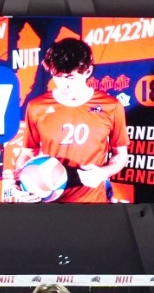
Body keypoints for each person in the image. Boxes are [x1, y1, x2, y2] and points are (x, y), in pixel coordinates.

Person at [13, 37, 130, 203]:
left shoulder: (111, 106)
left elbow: (120, 154)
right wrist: (19, 181)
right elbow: (27, 153)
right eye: (56, 76)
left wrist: (104, 172)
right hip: (49, 203)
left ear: (88, 71)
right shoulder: (36, 107)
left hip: (93, 203)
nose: (62, 84)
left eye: (69, 77)